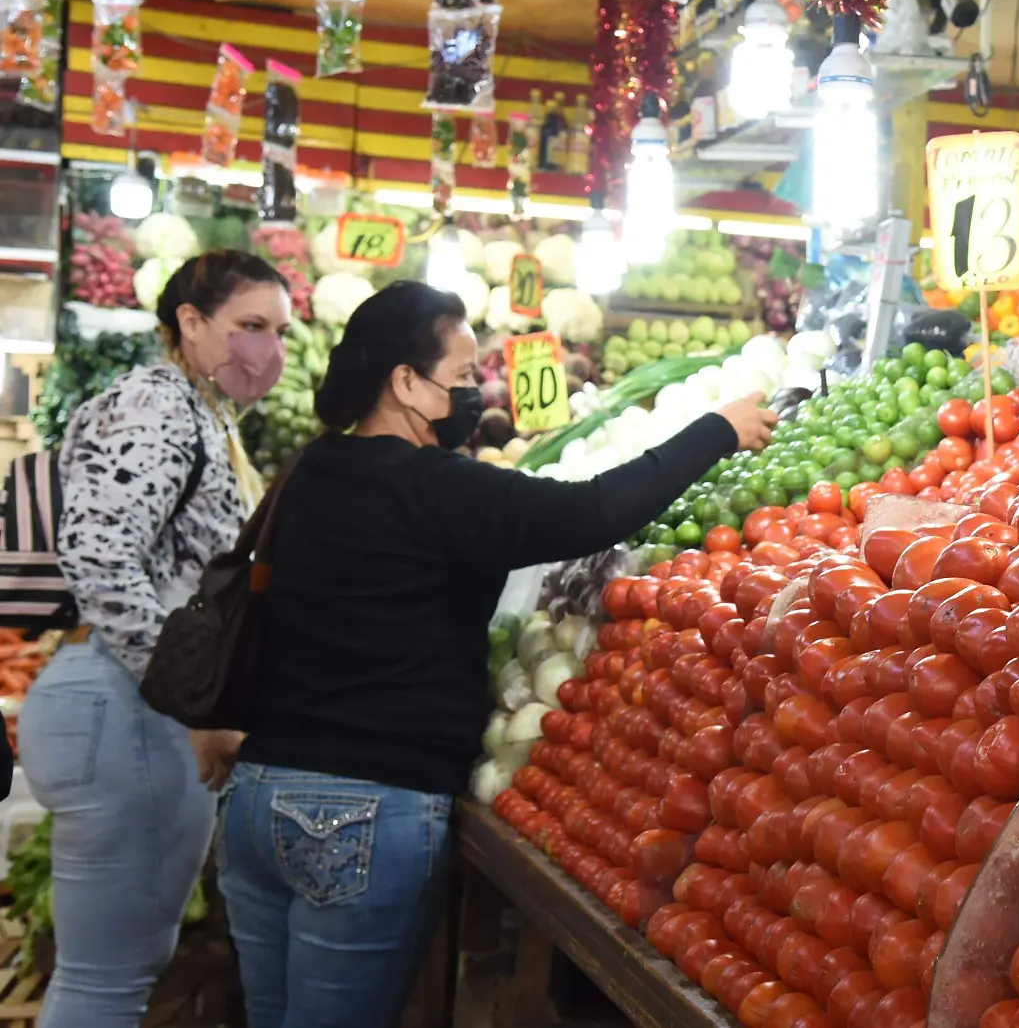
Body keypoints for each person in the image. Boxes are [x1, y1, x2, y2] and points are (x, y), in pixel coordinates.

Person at [215, 281, 776, 1028]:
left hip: (257, 797)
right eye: (460, 375)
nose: (477, 391)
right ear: (406, 383)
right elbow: (593, 510)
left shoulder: (311, 469)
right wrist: (717, 429)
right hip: (361, 808)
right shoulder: (441, 487)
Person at [19, 251, 292, 1028]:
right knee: (109, 980)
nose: (266, 348)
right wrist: (192, 701)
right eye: (248, 326)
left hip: (124, 705)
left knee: (112, 971)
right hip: (128, 706)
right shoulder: (158, 403)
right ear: (191, 323)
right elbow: (98, 554)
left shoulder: (201, 410)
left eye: (277, 330)